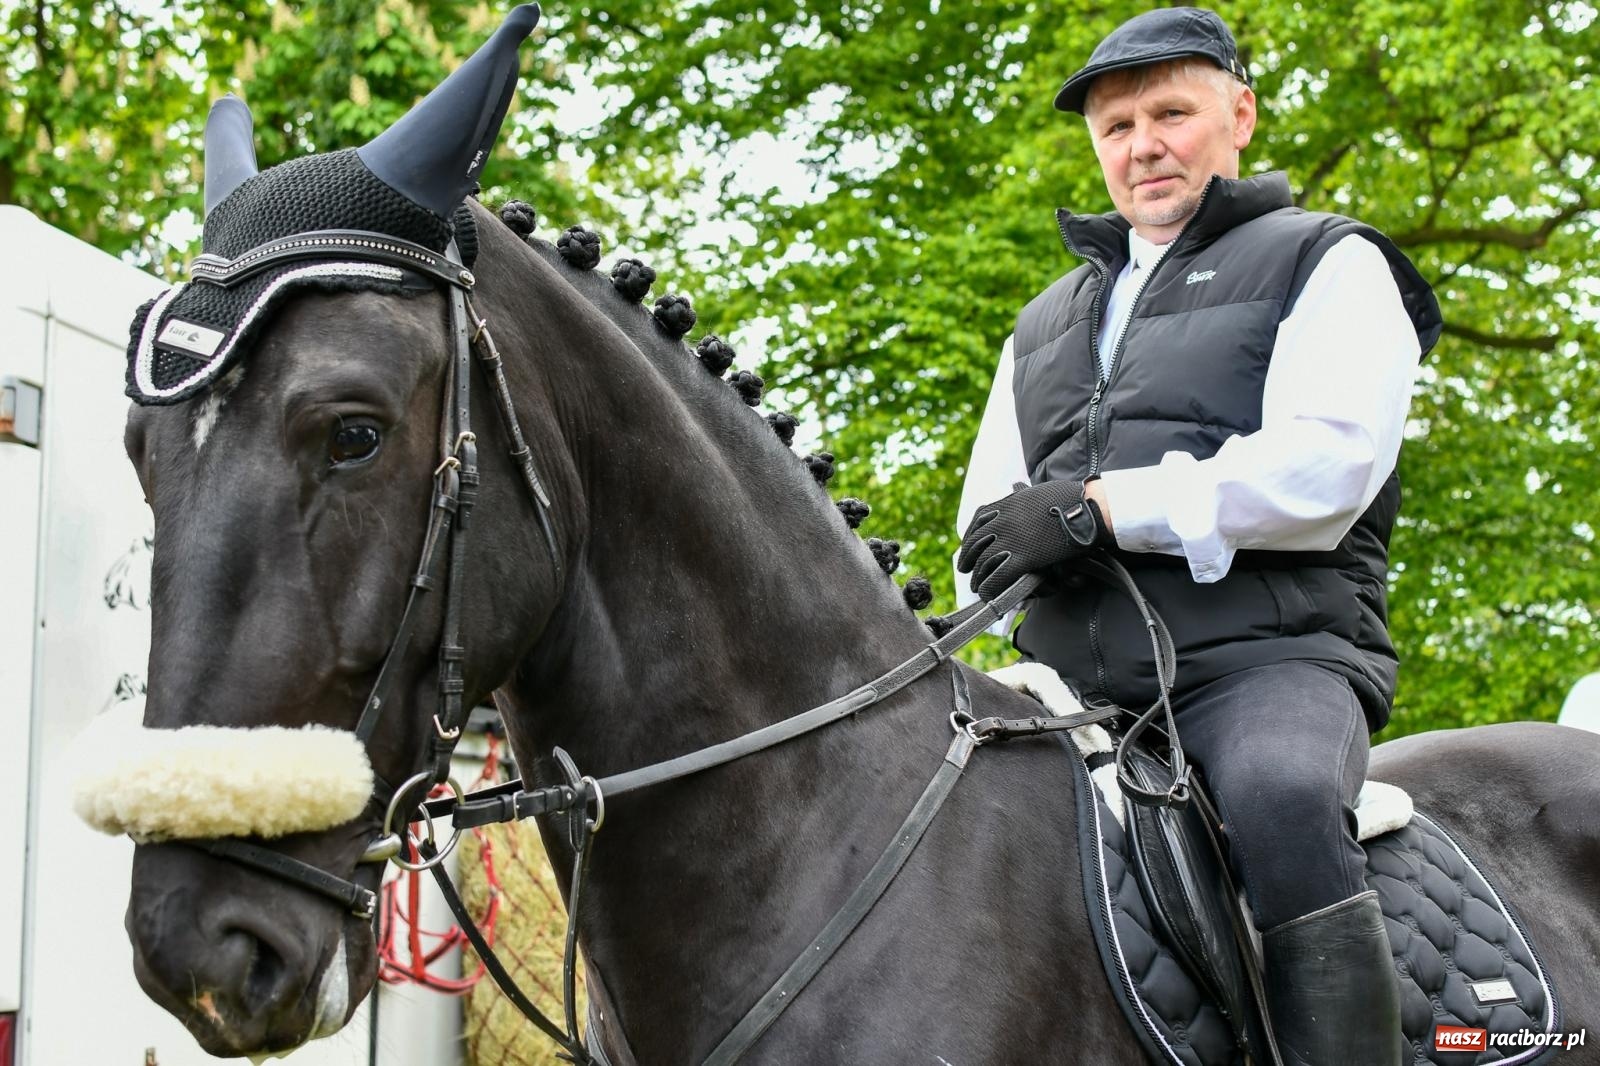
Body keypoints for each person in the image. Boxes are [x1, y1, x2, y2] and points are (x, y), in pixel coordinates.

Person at [953, 8, 1442, 1065]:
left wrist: (1100, 507)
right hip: (1075, 688)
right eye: (1116, 125)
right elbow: (988, 520)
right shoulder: (1041, 321)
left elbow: (1328, 469)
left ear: (1240, 114)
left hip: (1265, 668)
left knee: (1281, 797)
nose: (1142, 145)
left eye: (1170, 112)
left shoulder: (1330, 261)